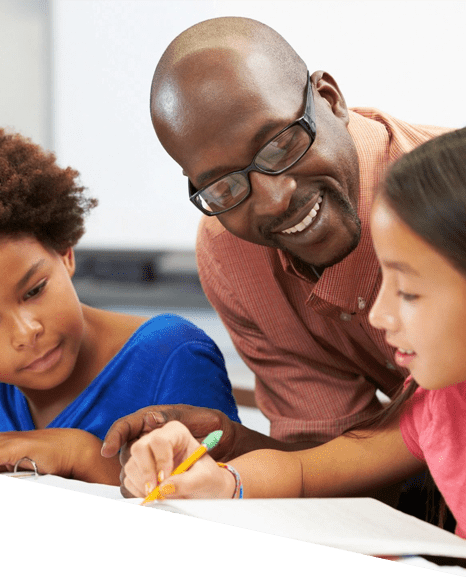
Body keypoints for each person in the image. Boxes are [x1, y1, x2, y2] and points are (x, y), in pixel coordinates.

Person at [102, 16, 449, 467]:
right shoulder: (231, 256)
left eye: (281, 145)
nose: (274, 200)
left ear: (330, 100)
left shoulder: (450, 201)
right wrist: (232, 446)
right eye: (224, 186)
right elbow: (334, 461)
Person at [121, 126, 466, 539]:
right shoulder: (444, 405)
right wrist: (221, 482)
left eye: (408, 291)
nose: (378, 315)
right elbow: (305, 470)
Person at [0, 119, 239, 483]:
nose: (26, 332)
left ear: (66, 254)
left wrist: (79, 453)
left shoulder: (172, 355)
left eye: (34, 291)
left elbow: (220, 498)